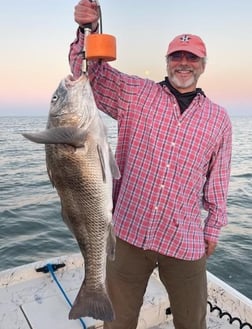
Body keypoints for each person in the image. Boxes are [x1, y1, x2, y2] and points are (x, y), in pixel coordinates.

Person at [69, 1, 232, 328]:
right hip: (129, 231)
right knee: (117, 321)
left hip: (184, 239)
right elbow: (88, 75)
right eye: (177, 56)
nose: (184, 63)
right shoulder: (135, 93)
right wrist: (87, 29)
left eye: (192, 57)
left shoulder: (219, 120)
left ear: (202, 64)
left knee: (192, 322)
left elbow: (217, 182)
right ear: (167, 61)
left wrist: (212, 227)